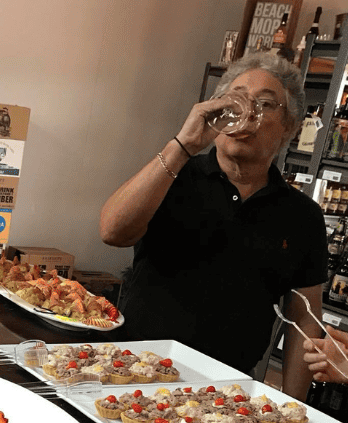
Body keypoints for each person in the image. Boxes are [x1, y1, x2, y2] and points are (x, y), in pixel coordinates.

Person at [100, 52, 327, 401]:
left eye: (265, 104)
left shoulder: (303, 216)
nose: (247, 113)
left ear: (289, 127)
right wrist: (183, 145)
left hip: (225, 394)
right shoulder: (172, 175)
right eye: (237, 99)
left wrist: (295, 409)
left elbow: (305, 322)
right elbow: (112, 231)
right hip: (132, 373)